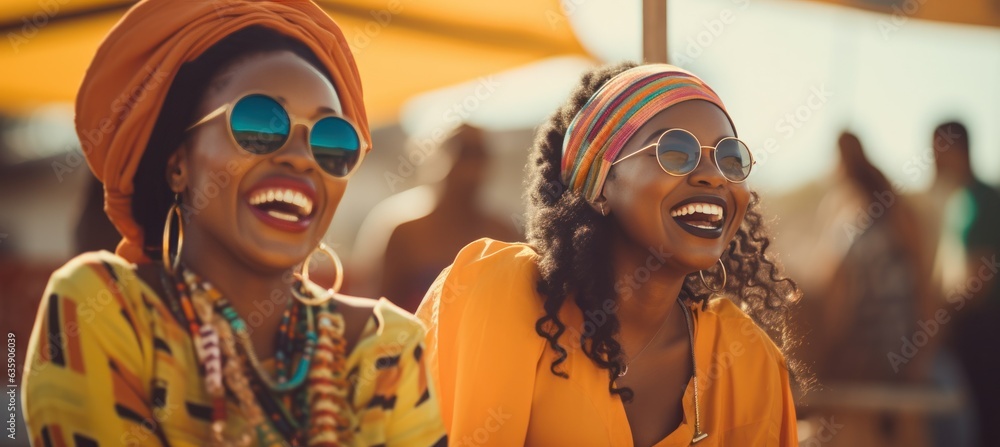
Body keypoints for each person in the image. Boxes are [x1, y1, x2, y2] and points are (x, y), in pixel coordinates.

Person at [21, 1, 446, 446]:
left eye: (331, 141)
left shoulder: (389, 347)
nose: (301, 158)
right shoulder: (104, 308)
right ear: (178, 164)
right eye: (259, 125)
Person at [418, 62, 802, 446]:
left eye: (730, 158)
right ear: (599, 185)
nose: (714, 175)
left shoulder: (747, 358)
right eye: (675, 151)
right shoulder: (502, 294)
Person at [352, 124, 519, 312]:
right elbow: (376, 311)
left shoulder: (502, 232)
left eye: (481, 155)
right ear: (435, 156)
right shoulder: (402, 229)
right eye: (465, 153)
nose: (472, 169)